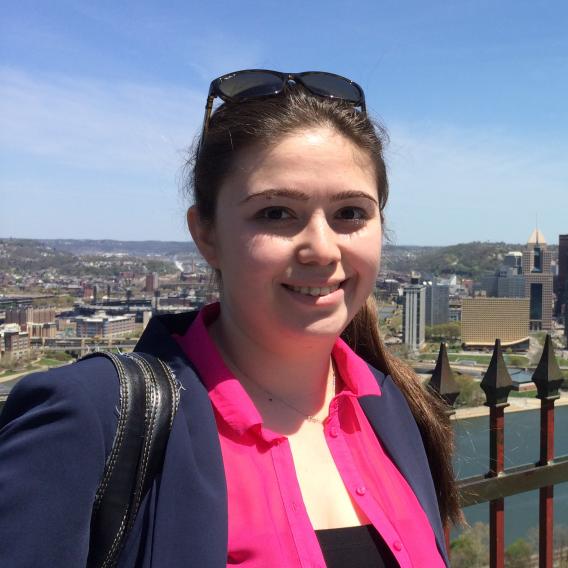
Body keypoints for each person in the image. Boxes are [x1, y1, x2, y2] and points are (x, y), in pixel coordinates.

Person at [0, 70, 460, 567]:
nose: (322, 249)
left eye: (350, 213)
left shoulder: (394, 408)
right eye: (276, 213)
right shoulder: (88, 421)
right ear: (207, 235)